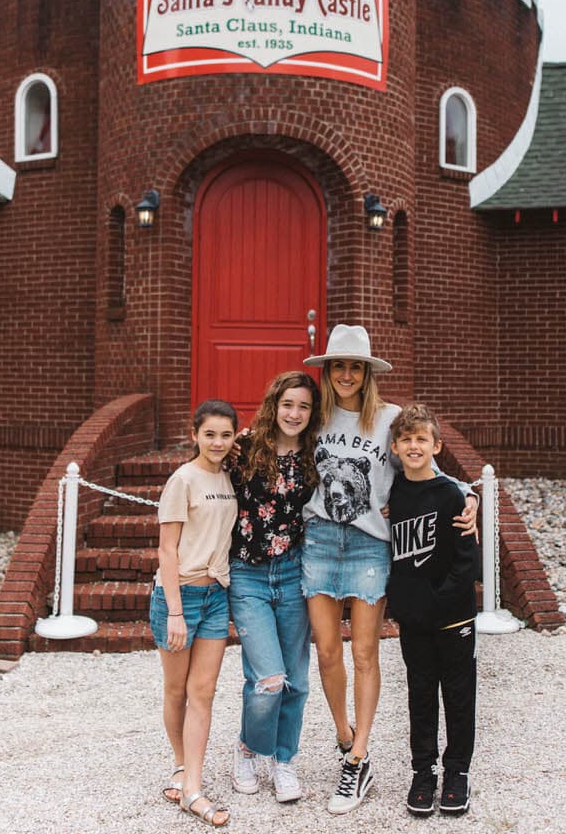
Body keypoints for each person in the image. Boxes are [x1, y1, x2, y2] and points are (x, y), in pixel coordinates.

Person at [300, 324, 478, 815]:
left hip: (369, 545)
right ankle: (344, 737)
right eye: (339, 365)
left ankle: (357, 761)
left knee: (363, 654)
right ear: (328, 371)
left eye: (355, 366)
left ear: (367, 372)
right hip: (317, 542)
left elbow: (426, 466)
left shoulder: (389, 418)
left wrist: (470, 496)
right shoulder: (315, 415)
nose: (347, 375)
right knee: (328, 653)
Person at [227, 370, 321, 804]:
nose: (295, 413)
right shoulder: (245, 447)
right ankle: (248, 748)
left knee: (297, 681)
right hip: (248, 575)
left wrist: (461, 493)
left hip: (294, 573)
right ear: (274, 405)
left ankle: (284, 760)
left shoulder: (318, 456)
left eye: (303, 406)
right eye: (288, 404)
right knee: (267, 678)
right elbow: (200, 473)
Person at [387, 403, 480, 818]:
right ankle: (423, 771)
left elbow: (467, 559)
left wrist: (441, 601)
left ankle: (456, 772)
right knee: (420, 695)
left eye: (421, 438)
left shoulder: (453, 494)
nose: (413, 445)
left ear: (437, 445)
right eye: (406, 439)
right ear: (394, 446)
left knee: (458, 696)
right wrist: (406, 604)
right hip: (413, 619)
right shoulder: (393, 493)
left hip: (453, 616)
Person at [150, 399, 239, 828]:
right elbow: (167, 549)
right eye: (210, 434)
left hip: (216, 595)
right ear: (194, 435)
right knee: (176, 691)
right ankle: (182, 766)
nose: (217, 442)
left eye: (226, 434)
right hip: (179, 596)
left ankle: (193, 788)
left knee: (203, 692)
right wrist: (174, 613)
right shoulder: (182, 480)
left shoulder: (229, 478)